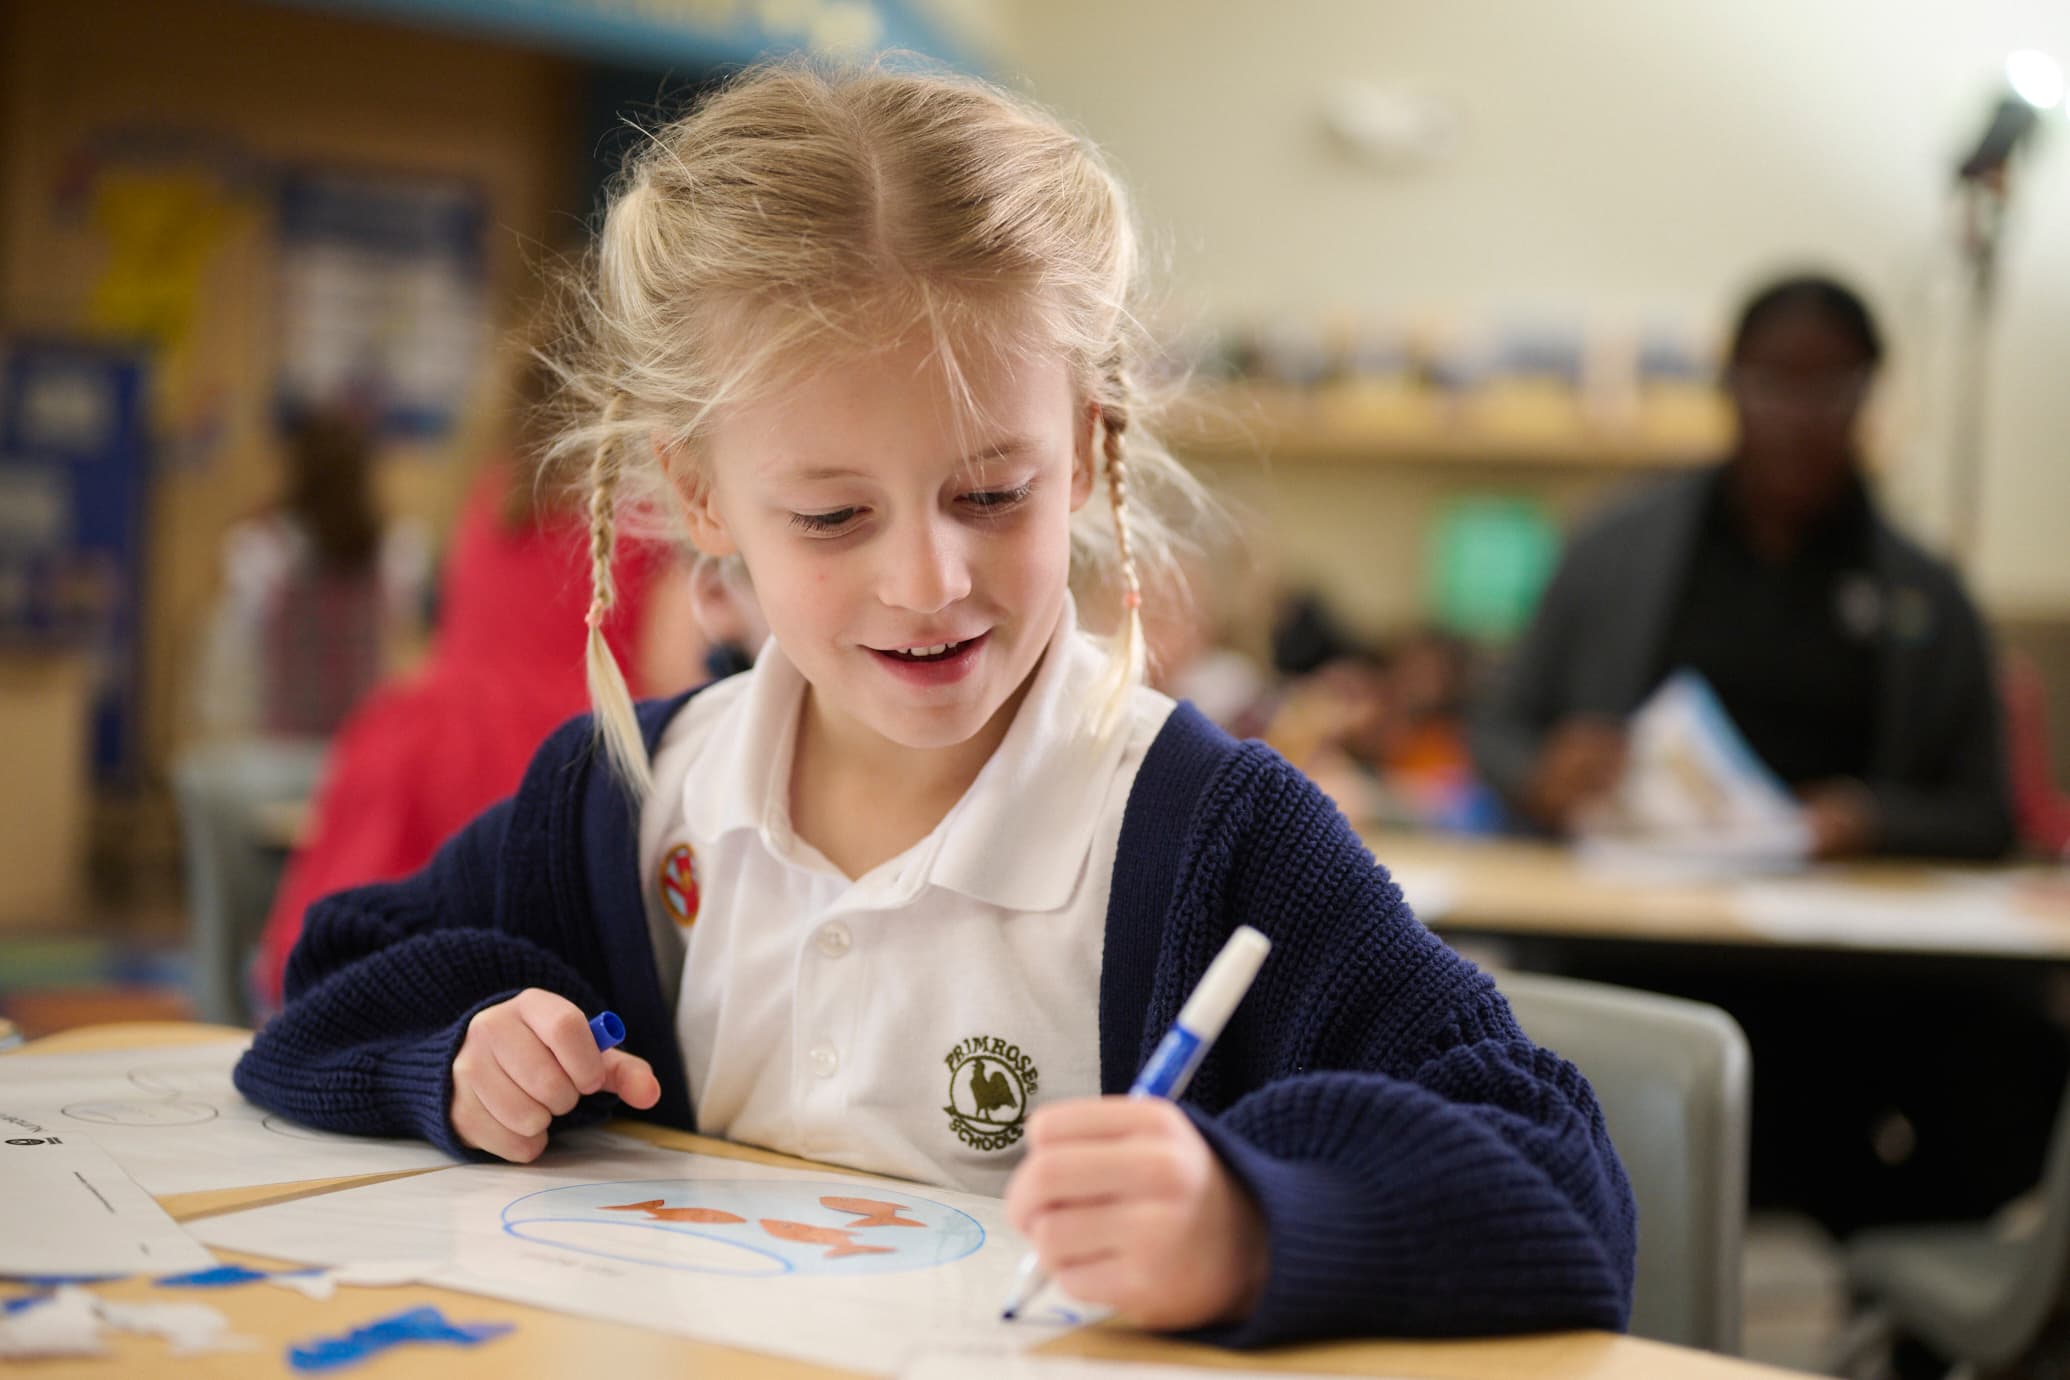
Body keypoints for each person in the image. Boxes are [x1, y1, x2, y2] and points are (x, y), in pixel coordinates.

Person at [234, 61, 1635, 1343]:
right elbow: (328, 985)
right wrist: (458, 1059)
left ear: (1086, 449)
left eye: (989, 494)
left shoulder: (1205, 834)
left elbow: (1562, 1184)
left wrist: (1250, 1226)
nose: (927, 578)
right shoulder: (628, 802)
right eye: (834, 514)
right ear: (708, 497)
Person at [1470, 274, 2013, 861]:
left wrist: (1875, 820)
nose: (1798, 417)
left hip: (1847, 926)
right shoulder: (1612, 549)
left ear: (1868, 393)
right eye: (1772, 383)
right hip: (1634, 916)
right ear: (1729, 384)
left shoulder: (1924, 593)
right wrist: (1543, 773)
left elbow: (1986, 813)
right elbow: (1496, 730)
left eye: (1829, 387)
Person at [249, 359, 716, 1012]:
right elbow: (677, 673)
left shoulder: (494, 494)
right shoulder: (645, 504)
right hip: (555, 756)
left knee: (368, 967)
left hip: (427, 742)